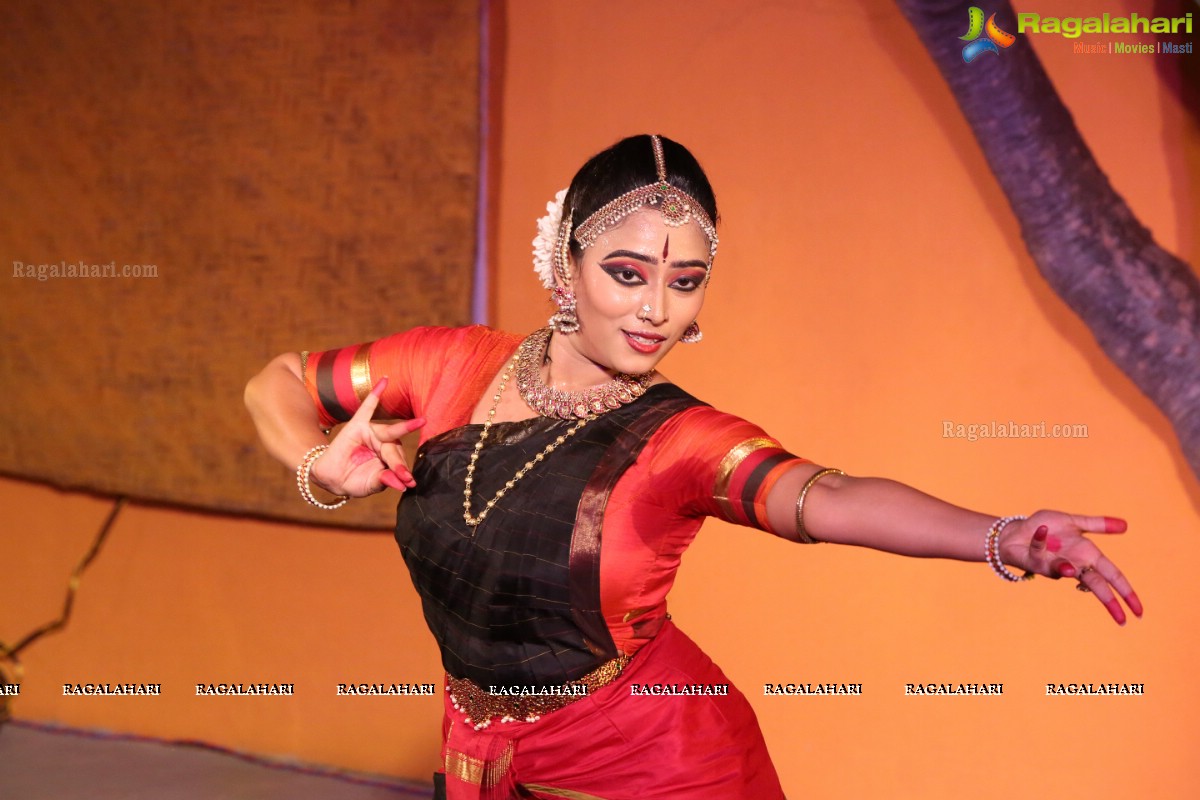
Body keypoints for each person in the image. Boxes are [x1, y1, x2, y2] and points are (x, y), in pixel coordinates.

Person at [244, 134, 1142, 800]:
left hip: (650, 766)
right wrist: (318, 467)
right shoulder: (448, 366)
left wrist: (1002, 535)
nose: (656, 311)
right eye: (628, 274)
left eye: (685, 282)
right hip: (479, 750)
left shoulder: (683, 440)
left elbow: (825, 497)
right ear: (566, 264)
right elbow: (277, 381)